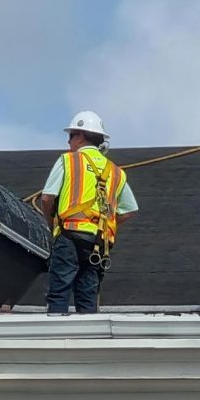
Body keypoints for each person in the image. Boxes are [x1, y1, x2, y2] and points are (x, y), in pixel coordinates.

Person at [38, 110, 138, 314]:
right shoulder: (115, 172)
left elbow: (47, 198)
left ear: (81, 136)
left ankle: (55, 340)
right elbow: (130, 210)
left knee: (59, 293)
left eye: (71, 136)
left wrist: (52, 224)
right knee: (87, 298)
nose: (69, 142)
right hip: (98, 244)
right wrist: (107, 224)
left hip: (69, 235)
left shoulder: (69, 161)